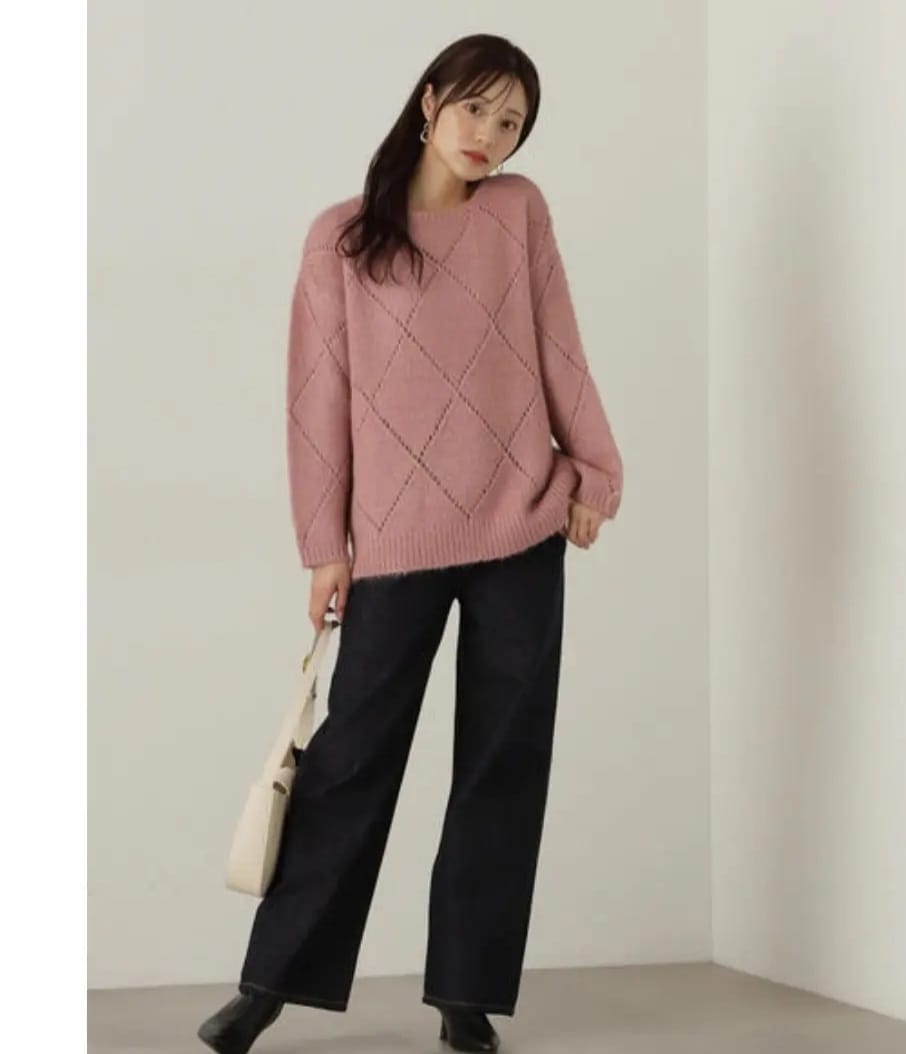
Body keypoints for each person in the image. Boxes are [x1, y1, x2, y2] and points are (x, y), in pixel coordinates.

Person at [197, 31, 623, 1054]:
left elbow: (559, 345)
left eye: (512, 123)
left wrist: (597, 471)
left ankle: (465, 999)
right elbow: (318, 405)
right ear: (429, 101)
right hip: (393, 542)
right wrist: (324, 544)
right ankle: (268, 982)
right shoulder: (341, 241)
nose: (491, 136)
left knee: (502, 764)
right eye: (477, 108)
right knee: (350, 760)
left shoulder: (518, 214)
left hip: (522, 524)